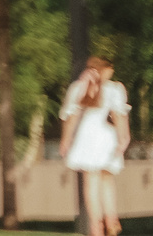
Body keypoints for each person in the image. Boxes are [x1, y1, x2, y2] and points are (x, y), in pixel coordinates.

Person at [61, 55, 130, 236]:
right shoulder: (115, 89)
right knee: (107, 181)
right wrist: (124, 137)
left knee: (91, 183)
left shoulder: (79, 87)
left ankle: (96, 225)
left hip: (87, 137)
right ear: (104, 69)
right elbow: (119, 115)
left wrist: (66, 140)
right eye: (110, 69)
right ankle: (112, 220)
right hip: (107, 137)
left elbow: (71, 117)